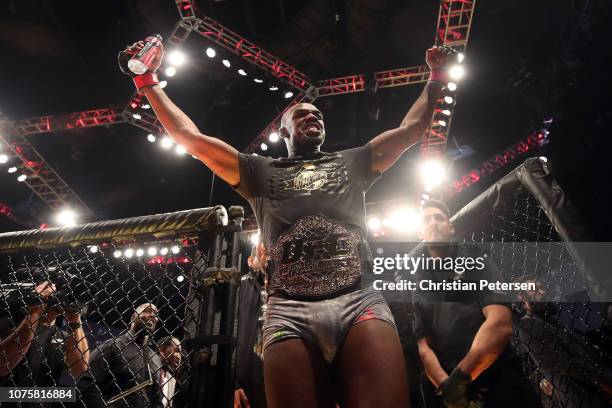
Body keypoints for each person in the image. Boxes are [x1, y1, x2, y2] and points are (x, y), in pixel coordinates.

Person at [119, 37, 458, 407]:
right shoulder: (258, 170)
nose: (314, 116)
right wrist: (147, 81)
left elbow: (410, 130)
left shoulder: (353, 162)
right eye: (303, 114)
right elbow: (191, 138)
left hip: (358, 300)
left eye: (319, 115)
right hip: (288, 310)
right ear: (283, 130)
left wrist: (436, 77)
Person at [410, 199, 540, 408]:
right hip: (452, 395)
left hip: (499, 381)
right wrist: (448, 389)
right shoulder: (418, 286)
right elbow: (423, 347)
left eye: (439, 218)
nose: (433, 222)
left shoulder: (476, 258)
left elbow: (500, 323)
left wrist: (459, 380)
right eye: (427, 220)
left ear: (450, 227)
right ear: (419, 233)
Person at [0, 280, 90, 391]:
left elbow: (79, 370)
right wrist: (36, 310)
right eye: (59, 289)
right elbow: (2, 364)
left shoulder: (62, 335)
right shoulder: (11, 322)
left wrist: (75, 319)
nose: (64, 295)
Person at [78, 303, 163, 408]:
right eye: (148, 310)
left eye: (155, 314)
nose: (152, 316)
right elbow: (86, 381)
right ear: (133, 317)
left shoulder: (155, 359)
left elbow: (157, 401)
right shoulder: (112, 345)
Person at [234, 243, 268, 408]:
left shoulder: (287, 288)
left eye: (269, 254)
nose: (266, 257)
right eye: (262, 253)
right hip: (246, 383)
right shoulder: (238, 288)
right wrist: (233, 384)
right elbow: (224, 333)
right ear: (250, 261)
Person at [158, 336, 182, 407]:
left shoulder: (172, 380)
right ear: (162, 350)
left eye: (180, 353)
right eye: (177, 351)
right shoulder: (147, 371)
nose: (179, 357)